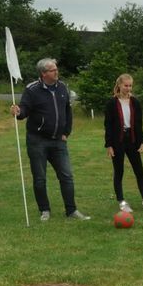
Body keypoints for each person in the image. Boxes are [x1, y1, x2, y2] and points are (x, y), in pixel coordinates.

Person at [10, 58, 90, 221]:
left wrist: (66, 132)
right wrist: (18, 112)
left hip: (58, 141)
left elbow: (67, 111)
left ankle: (71, 210)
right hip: (37, 141)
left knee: (66, 176)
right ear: (43, 73)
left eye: (56, 69)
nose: (56, 72)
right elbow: (24, 110)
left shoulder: (63, 87)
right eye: (53, 70)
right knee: (40, 178)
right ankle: (44, 210)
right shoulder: (32, 89)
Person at [104, 73, 143, 213]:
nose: (128, 88)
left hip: (132, 140)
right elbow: (108, 125)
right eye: (125, 85)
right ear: (119, 85)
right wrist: (109, 145)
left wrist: (142, 142)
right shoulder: (112, 103)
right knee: (119, 171)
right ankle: (122, 201)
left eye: (130, 85)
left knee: (139, 170)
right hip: (117, 141)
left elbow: (139, 124)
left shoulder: (135, 102)